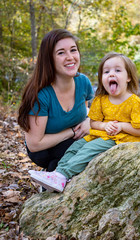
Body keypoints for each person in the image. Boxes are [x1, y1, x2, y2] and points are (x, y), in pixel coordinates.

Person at [28, 52, 140, 192]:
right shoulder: (101, 100)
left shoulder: (135, 103)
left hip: (120, 139)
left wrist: (121, 126)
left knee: (87, 151)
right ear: (101, 78)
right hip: (100, 135)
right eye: (106, 72)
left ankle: (64, 174)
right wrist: (105, 125)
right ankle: (56, 175)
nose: (111, 74)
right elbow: (93, 123)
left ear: (129, 77)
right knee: (75, 147)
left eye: (117, 70)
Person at [18, 29, 94, 172]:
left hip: (71, 142)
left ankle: (52, 174)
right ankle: (52, 175)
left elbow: (84, 114)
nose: (70, 57)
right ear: (49, 59)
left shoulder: (83, 82)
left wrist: (88, 122)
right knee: (81, 151)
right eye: (61, 53)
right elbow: (35, 144)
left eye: (73, 50)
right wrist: (71, 132)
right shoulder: (40, 94)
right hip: (43, 150)